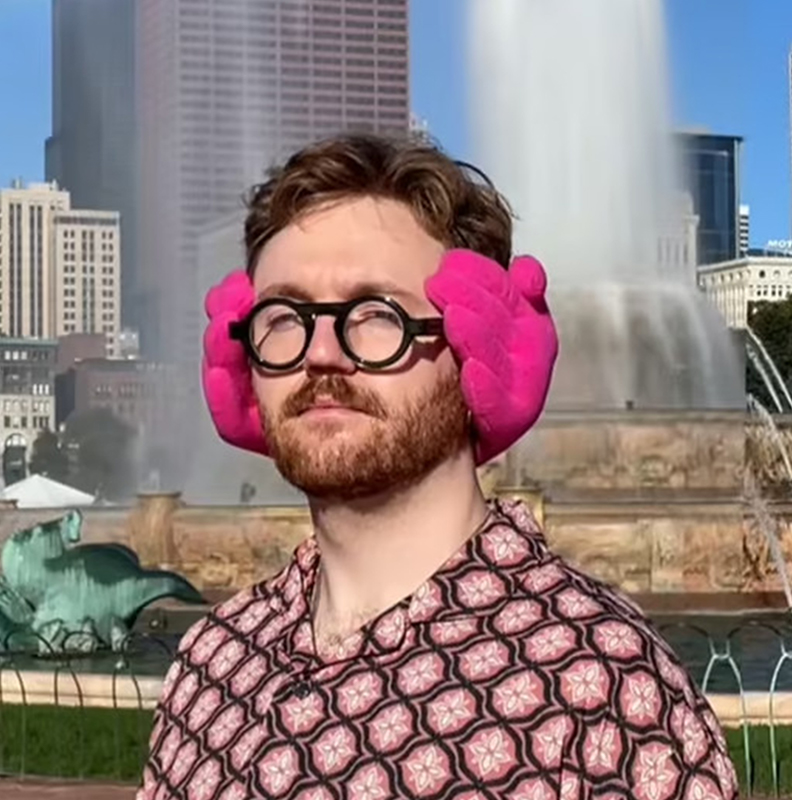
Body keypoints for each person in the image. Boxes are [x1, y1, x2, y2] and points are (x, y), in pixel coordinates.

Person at [137, 133, 738, 800]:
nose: (321, 353)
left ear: (478, 345)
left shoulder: (601, 686)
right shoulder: (212, 661)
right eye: (284, 315)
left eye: (377, 312)